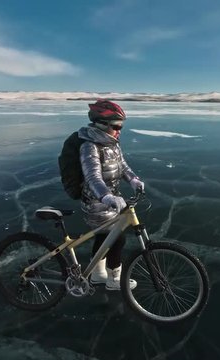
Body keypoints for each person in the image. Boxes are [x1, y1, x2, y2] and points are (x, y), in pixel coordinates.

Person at [78, 99, 144, 290]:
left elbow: (122, 166)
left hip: (111, 200)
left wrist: (133, 179)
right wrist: (106, 197)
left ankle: (98, 275)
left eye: (121, 126)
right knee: (117, 238)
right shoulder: (89, 146)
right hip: (97, 203)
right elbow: (92, 177)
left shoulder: (112, 143)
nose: (119, 130)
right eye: (116, 126)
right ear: (102, 124)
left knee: (103, 237)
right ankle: (114, 280)